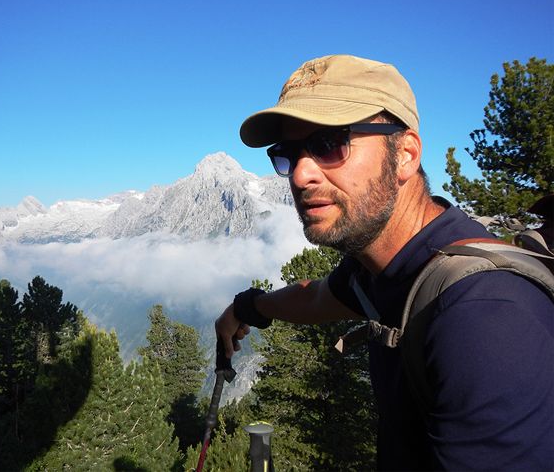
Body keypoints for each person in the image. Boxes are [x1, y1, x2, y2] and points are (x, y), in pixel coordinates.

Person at [215, 55, 553, 470]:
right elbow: (320, 298)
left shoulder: (485, 317)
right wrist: (247, 308)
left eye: (329, 144)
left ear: (406, 154)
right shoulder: (383, 266)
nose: (300, 175)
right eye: (288, 153)